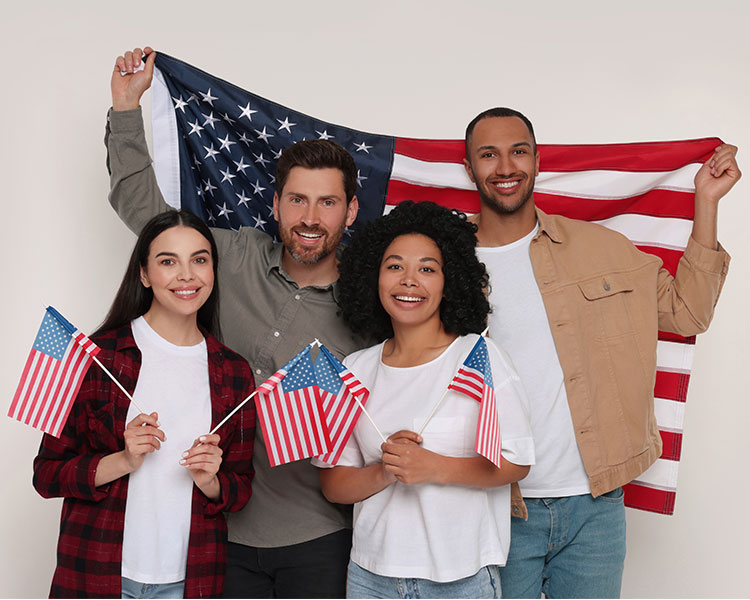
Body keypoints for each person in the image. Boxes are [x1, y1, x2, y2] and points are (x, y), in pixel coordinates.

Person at [107, 47, 370, 598]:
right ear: (274, 204)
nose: (310, 218)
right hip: (212, 524)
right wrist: (126, 108)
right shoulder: (231, 255)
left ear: (350, 211)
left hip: (316, 534)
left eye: (327, 203)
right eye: (297, 200)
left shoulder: (371, 307)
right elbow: (148, 217)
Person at [462, 107, 740, 598]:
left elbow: (688, 314)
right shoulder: (440, 261)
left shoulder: (601, 248)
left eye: (518, 151)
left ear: (537, 160)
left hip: (594, 507)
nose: (505, 166)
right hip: (495, 505)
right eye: (489, 154)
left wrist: (706, 202)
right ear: (469, 168)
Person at [315, 201, 535, 599]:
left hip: (462, 577)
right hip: (371, 576)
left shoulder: (478, 356)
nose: (409, 280)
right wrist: (385, 471)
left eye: (427, 269)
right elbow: (334, 484)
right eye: (395, 266)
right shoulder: (355, 368)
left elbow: (516, 461)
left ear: (449, 282)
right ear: (374, 277)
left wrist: (433, 467)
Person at [33, 210, 256, 598]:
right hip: (98, 574)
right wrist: (123, 459)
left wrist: (211, 481)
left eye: (199, 260)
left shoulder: (234, 372)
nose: (186, 275)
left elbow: (240, 489)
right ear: (144, 274)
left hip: (190, 581)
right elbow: (47, 475)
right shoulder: (96, 357)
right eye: (168, 261)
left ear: (213, 271)